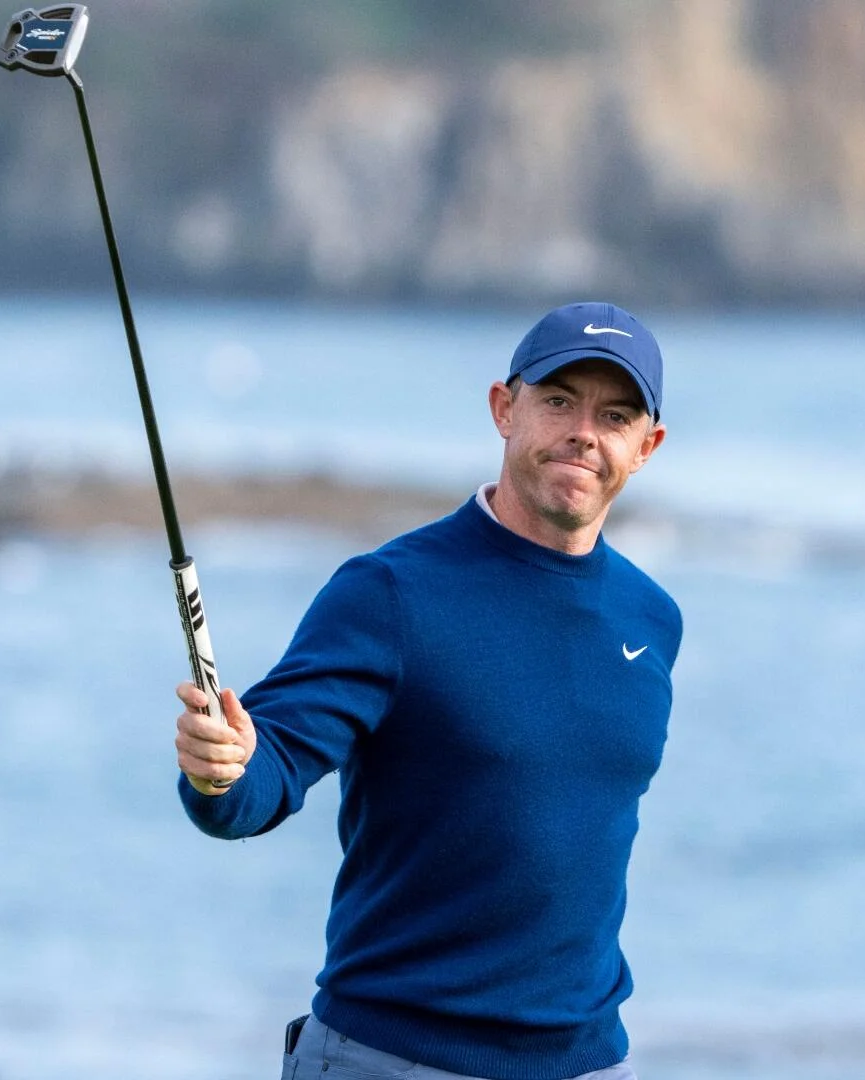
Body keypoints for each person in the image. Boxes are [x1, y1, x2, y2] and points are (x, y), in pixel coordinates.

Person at [175, 301, 680, 1080]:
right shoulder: (390, 593)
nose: (584, 432)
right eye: (558, 401)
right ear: (504, 409)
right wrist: (222, 771)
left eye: (614, 416)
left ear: (645, 447)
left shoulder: (651, 618)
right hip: (389, 1057)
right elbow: (264, 768)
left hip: (588, 1063)